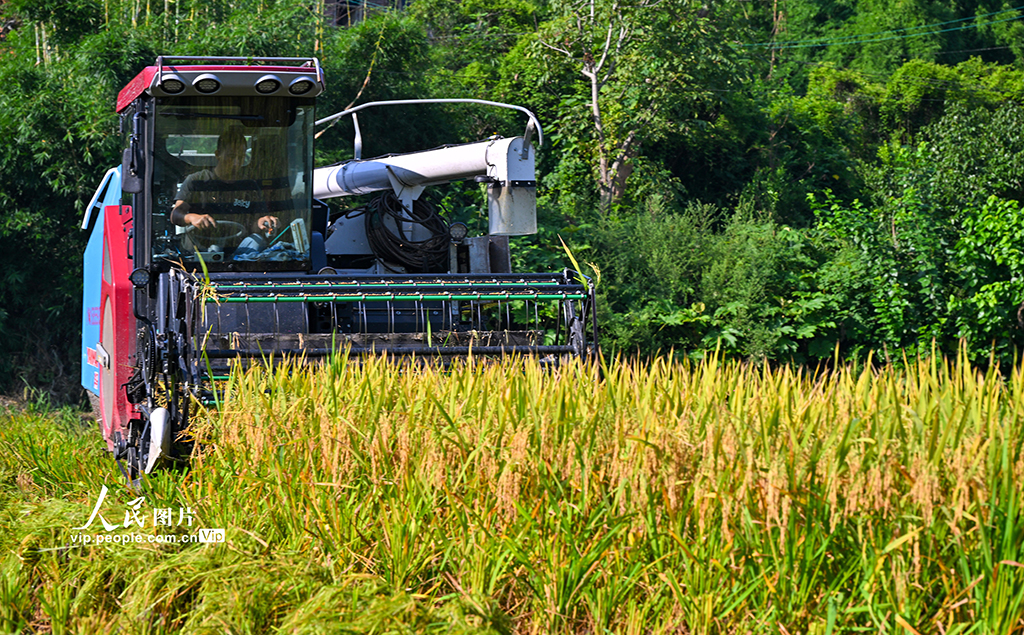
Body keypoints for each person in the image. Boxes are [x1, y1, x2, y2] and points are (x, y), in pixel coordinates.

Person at [170, 127, 279, 236]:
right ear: (218, 155)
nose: (236, 162)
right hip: (199, 249)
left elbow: (255, 225)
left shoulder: (250, 186)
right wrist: (191, 217)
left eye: (241, 157)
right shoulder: (197, 181)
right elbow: (175, 215)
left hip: (240, 250)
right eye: (231, 156)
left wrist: (263, 222)